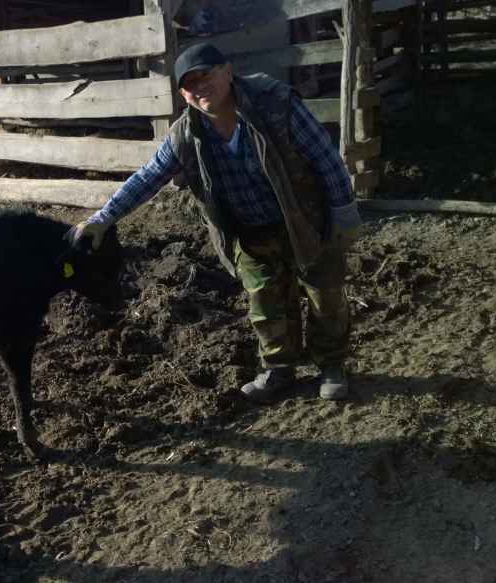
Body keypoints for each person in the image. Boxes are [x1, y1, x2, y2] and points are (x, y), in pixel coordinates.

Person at [69, 43, 362, 402]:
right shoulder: (186, 134)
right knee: (265, 303)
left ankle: (331, 366)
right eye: (189, 84)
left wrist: (344, 212)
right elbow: (148, 177)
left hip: (306, 219)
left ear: (227, 71)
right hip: (249, 231)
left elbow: (325, 158)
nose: (199, 87)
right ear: (183, 94)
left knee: (325, 294)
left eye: (205, 75)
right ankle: (279, 369)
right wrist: (103, 218)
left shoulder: (275, 105)